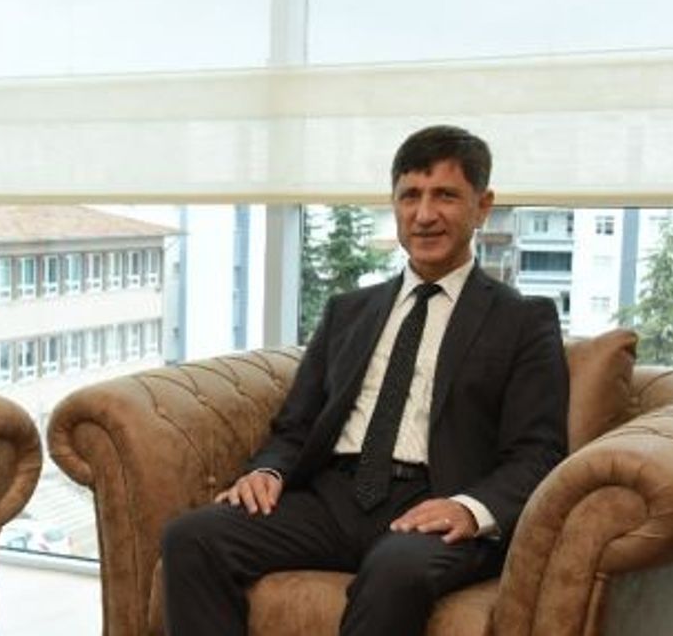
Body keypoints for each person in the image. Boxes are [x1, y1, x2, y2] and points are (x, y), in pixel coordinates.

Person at [161, 125, 569, 635]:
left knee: (395, 573)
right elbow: (297, 424)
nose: (424, 215)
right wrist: (269, 470)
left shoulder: (523, 320)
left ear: (482, 206)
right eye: (410, 196)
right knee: (191, 537)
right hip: (332, 497)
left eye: (445, 195)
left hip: (435, 502)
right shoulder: (348, 311)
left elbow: (538, 452)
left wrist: (469, 509)